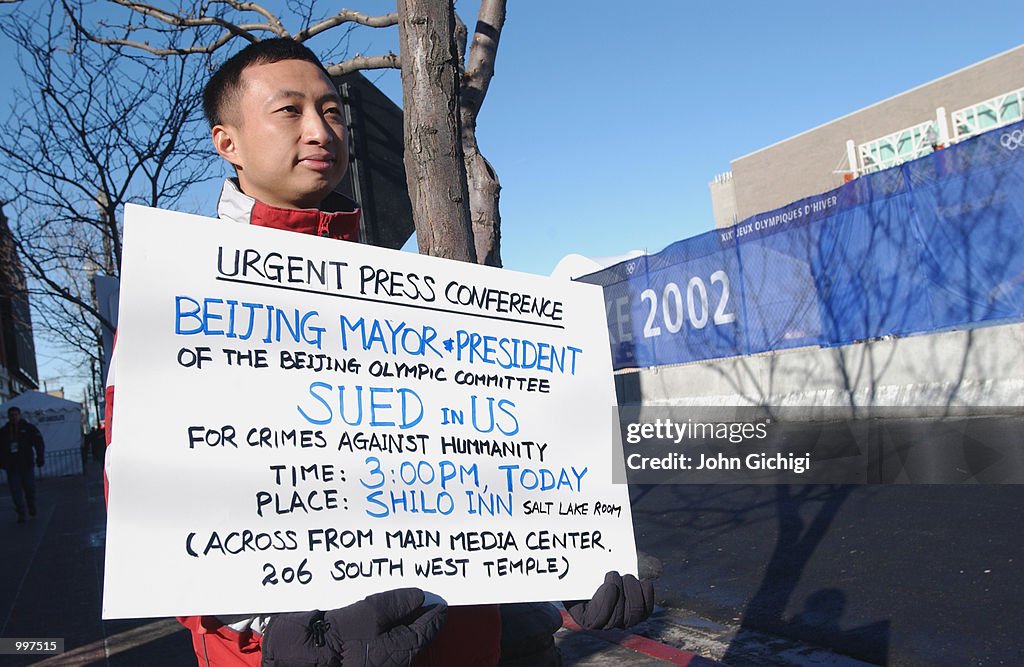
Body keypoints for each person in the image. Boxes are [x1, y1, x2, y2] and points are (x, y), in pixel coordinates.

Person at [105, 38, 653, 666]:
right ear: (225, 141)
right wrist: (268, 634)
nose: (320, 130)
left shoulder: (411, 307)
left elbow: (479, 472)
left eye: (333, 111)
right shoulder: (179, 305)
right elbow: (154, 516)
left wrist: (564, 572)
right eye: (290, 110)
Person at [1, 406, 45, 523]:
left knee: (29, 488)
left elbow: (38, 442)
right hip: (12, 467)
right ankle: (21, 512)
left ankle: (31, 505)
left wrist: (40, 456)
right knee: (15, 492)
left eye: (16, 415)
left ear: (19, 415)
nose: (14, 417)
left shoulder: (28, 428)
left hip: (26, 465)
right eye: (12, 415)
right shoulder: (4, 431)